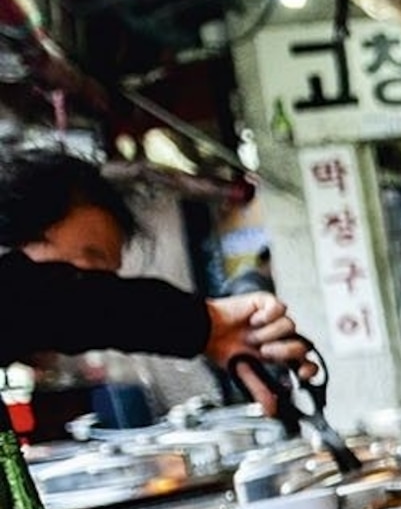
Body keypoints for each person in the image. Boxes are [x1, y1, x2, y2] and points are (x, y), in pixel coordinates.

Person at [0, 146, 305, 376]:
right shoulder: (27, 294)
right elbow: (47, 299)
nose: (98, 288)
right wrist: (207, 322)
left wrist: (208, 331)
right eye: (88, 261)